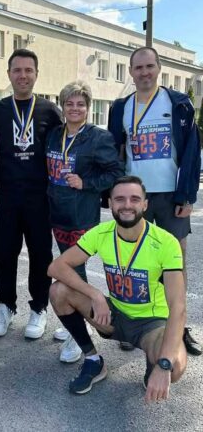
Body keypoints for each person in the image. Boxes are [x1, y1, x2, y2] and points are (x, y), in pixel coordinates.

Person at [48, 176, 187, 402]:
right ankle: (93, 360)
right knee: (58, 291)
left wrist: (163, 365)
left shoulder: (166, 242)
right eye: (120, 199)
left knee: (175, 366)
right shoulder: (101, 233)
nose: (127, 205)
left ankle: (153, 365)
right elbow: (56, 267)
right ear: (110, 203)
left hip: (151, 324)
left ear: (145, 204)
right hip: (113, 315)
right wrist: (95, 295)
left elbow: (178, 306)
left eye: (135, 199)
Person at [108, 46, 201, 356]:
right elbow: (115, 151)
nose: (144, 72)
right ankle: (131, 324)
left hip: (171, 195)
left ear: (159, 68)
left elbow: (191, 152)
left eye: (149, 66)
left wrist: (187, 195)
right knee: (133, 261)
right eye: (139, 67)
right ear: (131, 72)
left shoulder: (178, 103)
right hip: (134, 197)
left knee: (175, 263)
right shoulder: (120, 108)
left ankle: (179, 327)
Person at [0, 49, 62, 339]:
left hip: (39, 198)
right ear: (9, 74)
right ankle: (5, 305)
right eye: (17, 70)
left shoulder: (50, 111)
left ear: (36, 74)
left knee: (41, 254)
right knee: (4, 253)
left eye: (28, 70)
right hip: (5, 197)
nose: (23, 75)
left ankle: (39, 307)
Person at [46, 80, 123, 362]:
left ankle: (80, 331)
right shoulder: (54, 135)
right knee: (70, 272)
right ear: (62, 106)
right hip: (57, 213)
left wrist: (86, 182)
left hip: (82, 216)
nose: (75, 108)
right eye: (69, 103)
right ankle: (72, 313)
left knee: (73, 272)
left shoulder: (98, 138)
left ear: (88, 108)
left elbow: (116, 172)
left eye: (81, 104)